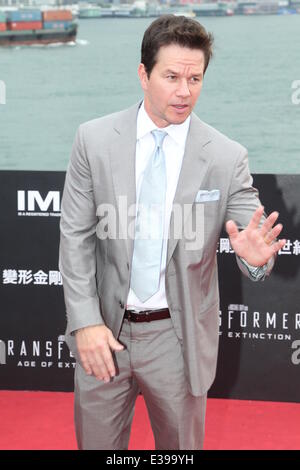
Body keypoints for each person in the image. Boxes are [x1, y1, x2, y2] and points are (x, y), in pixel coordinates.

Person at [59, 15, 286, 450]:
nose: (185, 91)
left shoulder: (225, 155)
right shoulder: (94, 140)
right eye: (172, 76)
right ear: (143, 75)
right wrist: (84, 324)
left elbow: (255, 234)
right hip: (105, 332)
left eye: (195, 78)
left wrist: (256, 259)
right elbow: (75, 238)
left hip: (178, 342)